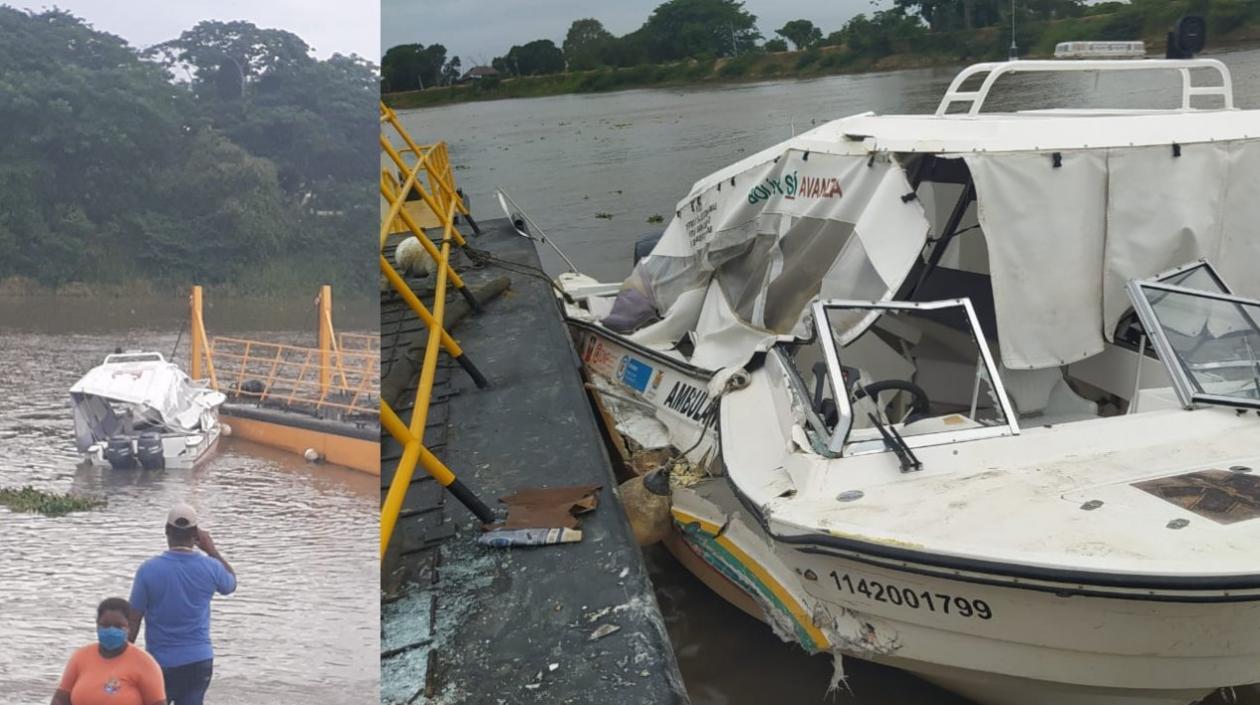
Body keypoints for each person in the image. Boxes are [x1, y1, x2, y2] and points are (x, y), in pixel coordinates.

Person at [128, 503, 235, 705]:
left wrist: (121, 658)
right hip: (199, 660)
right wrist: (212, 550)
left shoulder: (148, 570)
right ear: (196, 534)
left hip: (159, 663)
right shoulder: (211, 567)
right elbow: (231, 584)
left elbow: (134, 620)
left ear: (167, 530)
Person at [52, 597, 165, 705]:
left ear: (128, 627)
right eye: (105, 625)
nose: (111, 630)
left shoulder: (145, 663)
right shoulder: (80, 657)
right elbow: (60, 698)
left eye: (118, 626)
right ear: (97, 625)